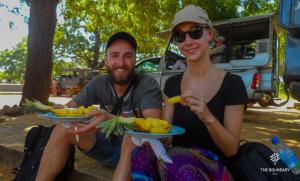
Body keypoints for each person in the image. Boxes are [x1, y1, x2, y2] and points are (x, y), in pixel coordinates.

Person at [114, 5, 248, 181]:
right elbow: (167, 136)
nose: (188, 41)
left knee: (178, 164)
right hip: (175, 162)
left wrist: (208, 117)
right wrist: (145, 131)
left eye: (195, 32)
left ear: (209, 34)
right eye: (180, 36)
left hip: (215, 168)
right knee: (141, 155)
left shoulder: (233, 84)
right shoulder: (172, 84)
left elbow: (231, 149)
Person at [35, 32, 163, 181]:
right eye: (114, 55)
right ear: (106, 60)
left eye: (128, 56)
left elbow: (153, 128)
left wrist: (113, 120)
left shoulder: (147, 84)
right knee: (63, 128)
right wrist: (58, 110)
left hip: (137, 153)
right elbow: (70, 108)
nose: (121, 63)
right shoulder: (99, 83)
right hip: (106, 147)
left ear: (135, 60)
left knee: (131, 138)